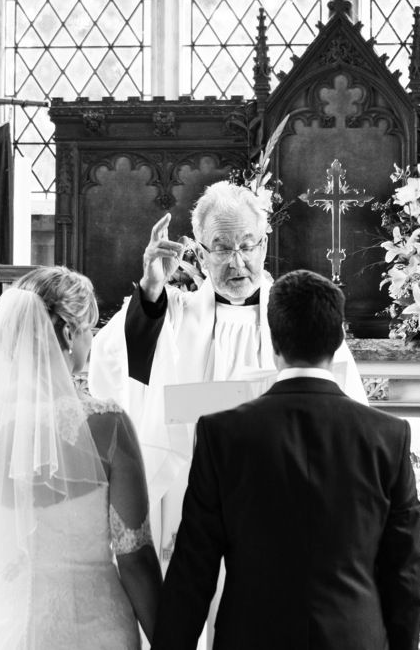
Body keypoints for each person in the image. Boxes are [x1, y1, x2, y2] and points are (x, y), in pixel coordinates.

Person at [88, 182, 369, 563]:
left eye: (247, 245)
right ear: (201, 254)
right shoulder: (173, 315)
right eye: (221, 247)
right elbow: (114, 360)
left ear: (265, 246)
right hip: (195, 499)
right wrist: (153, 285)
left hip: (283, 500)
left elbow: (345, 412)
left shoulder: (303, 319)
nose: (237, 261)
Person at [154, 270, 420, 650]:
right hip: (352, 638)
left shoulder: (222, 434)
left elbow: (192, 569)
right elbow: (405, 571)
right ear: (339, 338)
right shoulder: (388, 436)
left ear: (273, 340)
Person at [0, 266, 162, 650]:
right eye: (89, 330)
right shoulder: (107, 426)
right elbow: (136, 560)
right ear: (67, 333)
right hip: (93, 630)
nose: (90, 341)